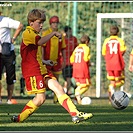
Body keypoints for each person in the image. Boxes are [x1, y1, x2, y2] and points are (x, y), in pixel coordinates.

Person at [11, 9, 93, 124]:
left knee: (59, 88)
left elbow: (33, 55)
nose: (41, 25)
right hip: (33, 71)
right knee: (40, 99)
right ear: (31, 23)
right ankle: (20, 118)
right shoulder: (27, 33)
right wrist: (53, 34)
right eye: (39, 23)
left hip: (42, 69)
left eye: (42, 23)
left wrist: (45, 61)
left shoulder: (34, 34)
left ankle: (75, 114)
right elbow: (40, 42)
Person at [0, 10, 23, 104]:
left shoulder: (5, 20)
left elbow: (20, 25)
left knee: (10, 77)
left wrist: (13, 38)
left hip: (8, 52)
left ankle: (9, 99)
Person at [41, 15, 66, 103]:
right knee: (45, 78)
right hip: (47, 60)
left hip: (56, 60)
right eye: (53, 23)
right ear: (50, 24)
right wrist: (43, 59)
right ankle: (41, 96)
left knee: (56, 78)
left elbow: (63, 49)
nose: (55, 25)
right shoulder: (46, 33)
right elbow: (42, 47)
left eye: (56, 23)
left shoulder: (61, 35)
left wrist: (64, 60)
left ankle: (56, 98)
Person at [102, 25, 127, 102]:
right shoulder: (120, 40)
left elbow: (103, 52)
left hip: (109, 64)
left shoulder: (106, 40)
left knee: (112, 80)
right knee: (121, 80)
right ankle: (116, 92)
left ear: (110, 32)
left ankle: (112, 98)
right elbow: (123, 50)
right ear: (118, 33)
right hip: (118, 63)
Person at [70, 35, 91, 104]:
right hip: (83, 69)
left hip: (75, 69)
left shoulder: (77, 48)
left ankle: (77, 100)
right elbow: (85, 59)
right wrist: (89, 62)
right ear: (87, 42)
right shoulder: (86, 48)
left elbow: (71, 60)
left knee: (79, 85)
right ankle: (77, 93)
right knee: (86, 84)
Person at [62, 26, 78, 95]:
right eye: (69, 31)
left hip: (72, 62)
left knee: (68, 78)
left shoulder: (74, 39)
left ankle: (66, 92)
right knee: (67, 78)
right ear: (65, 32)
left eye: (71, 31)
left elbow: (76, 48)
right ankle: (72, 88)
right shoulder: (63, 40)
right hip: (64, 62)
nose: (70, 33)